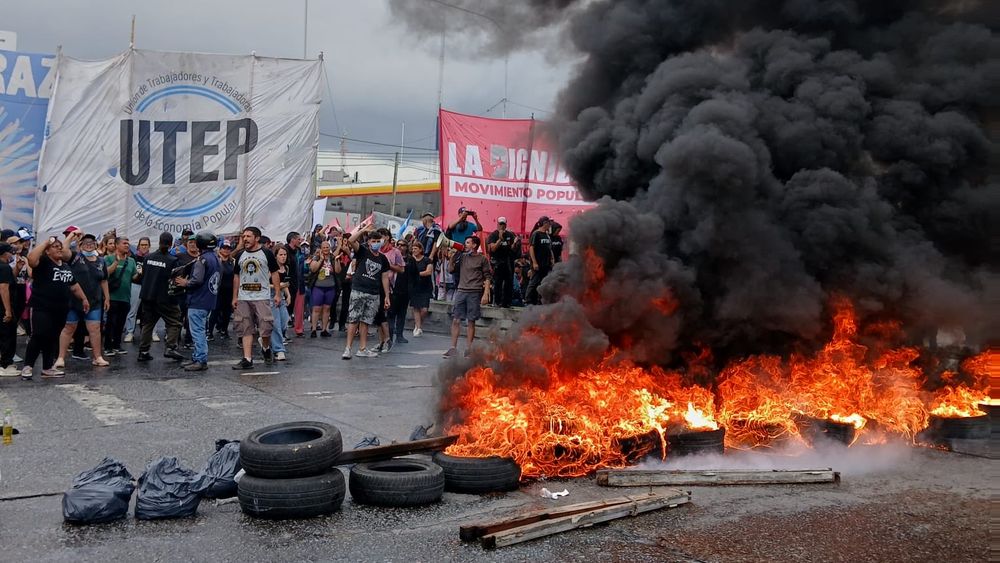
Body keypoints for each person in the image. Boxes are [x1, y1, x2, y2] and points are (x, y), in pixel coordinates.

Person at [22, 235, 89, 379]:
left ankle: (47, 367)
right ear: (47, 251)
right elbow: (31, 259)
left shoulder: (65, 266)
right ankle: (28, 366)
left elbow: (74, 285)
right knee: (39, 335)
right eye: (55, 247)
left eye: (60, 246)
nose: (59, 248)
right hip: (42, 306)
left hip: (61, 308)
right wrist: (47, 242)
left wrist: (84, 299)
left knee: (52, 337)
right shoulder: (43, 262)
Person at [57, 233, 110, 369]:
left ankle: (97, 357)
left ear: (96, 245)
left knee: (95, 329)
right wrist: (72, 236)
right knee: (69, 328)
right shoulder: (75, 258)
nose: (89, 245)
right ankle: (60, 358)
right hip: (74, 301)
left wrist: (107, 298)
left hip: (95, 301)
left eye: (92, 243)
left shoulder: (101, 261)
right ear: (80, 246)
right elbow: (63, 251)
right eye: (85, 243)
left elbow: (103, 280)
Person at [232, 226, 281, 370]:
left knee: (266, 326)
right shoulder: (240, 255)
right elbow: (236, 276)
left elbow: (275, 273)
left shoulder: (266, 253)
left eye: (248, 236)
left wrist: (277, 293)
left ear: (257, 238)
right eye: (244, 236)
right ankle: (247, 359)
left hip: (262, 296)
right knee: (245, 326)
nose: (245, 239)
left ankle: (265, 347)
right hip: (243, 296)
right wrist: (235, 296)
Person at [173, 231, 220, 371]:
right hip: (209, 299)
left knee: (197, 331)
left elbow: (197, 280)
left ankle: (200, 359)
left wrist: (185, 282)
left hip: (198, 300)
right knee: (200, 329)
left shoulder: (202, 260)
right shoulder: (216, 258)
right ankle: (196, 356)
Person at [342, 226, 390, 360]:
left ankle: (362, 348)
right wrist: (362, 231)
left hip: (374, 293)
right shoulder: (362, 251)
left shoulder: (383, 259)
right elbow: (351, 240)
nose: (376, 243)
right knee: (353, 319)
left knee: (366, 321)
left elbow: (384, 277)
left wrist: (386, 295)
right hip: (359, 290)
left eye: (378, 240)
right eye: (373, 241)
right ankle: (348, 348)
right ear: (368, 242)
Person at [136, 232, 185, 363]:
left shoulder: (148, 257)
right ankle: (170, 347)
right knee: (175, 321)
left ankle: (143, 351)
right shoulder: (173, 260)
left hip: (147, 296)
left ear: (159, 241)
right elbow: (175, 281)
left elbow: (144, 275)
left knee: (148, 324)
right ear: (170, 244)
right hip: (165, 298)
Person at [444, 236, 492, 358]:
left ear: (475, 245)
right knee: (456, 319)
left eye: (468, 243)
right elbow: (450, 269)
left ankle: (469, 349)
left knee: (471, 321)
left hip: (474, 292)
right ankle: (453, 348)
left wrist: (486, 293)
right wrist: (453, 256)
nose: (465, 245)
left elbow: (487, 277)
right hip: (461, 290)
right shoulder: (463, 256)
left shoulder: (482, 259)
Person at [104, 236, 137, 356]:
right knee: (110, 322)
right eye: (124, 243)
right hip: (112, 297)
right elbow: (106, 273)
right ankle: (107, 347)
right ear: (117, 245)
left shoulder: (131, 261)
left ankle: (117, 345)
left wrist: (141, 274)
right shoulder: (108, 258)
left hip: (125, 297)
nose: (127, 245)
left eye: (128, 243)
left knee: (120, 323)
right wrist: (116, 262)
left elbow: (134, 277)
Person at [375, 228, 405, 352]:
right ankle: (381, 341)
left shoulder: (395, 252)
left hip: (388, 286)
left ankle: (388, 340)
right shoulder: (375, 251)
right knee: (377, 316)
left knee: (384, 315)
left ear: (387, 237)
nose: (378, 241)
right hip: (375, 284)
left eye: (381, 237)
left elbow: (402, 269)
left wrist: (388, 265)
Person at [307, 240, 340, 338]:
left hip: (330, 287)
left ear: (330, 248)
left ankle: (324, 329)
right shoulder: (316, 258)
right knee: (316, 308)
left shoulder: (333, 258)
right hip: (318, 287)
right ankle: (313, 329)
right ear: (321, 249)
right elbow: (313, 269)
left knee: (327, 308)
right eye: (324, 247)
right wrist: (321, 260)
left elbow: (338, 271)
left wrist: (337, 261)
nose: (326, 249)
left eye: (327, 247)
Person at [487, 216, 518, 308]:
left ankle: (507, 303)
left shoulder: (510, 235)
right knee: (498, 282)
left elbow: (512, 249)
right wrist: (500, 239)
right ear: (497, 224)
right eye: (500, 224)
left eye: (503, 224)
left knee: (509, 282)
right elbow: (492, 248)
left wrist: (515, 243)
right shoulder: (493, 235)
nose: (502, 226)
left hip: (508, 261)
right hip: (497, 261)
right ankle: (497, 302)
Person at [124, 236, 150, 343]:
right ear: (138, 246)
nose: (144, 247)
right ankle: (130, 332)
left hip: (148, 286)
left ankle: (152, 333)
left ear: (149, 246)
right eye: (142, 245)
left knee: (150, 310)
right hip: (136, 285)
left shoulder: (152, 257)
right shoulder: (133, 258)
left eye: (146, 245)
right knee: (132, 310)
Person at [269, 245, 292, 362]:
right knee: (276, 323)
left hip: (282, 296)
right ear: (275, 256)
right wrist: (278, 286)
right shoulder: (271, 269)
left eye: (285, 254)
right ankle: (279, 350)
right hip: (271, 296)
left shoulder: (286, 268)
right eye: (280, 255)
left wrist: (288, 294)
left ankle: (267, 339)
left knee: (284, 321)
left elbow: (285, 283)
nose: (283, 257)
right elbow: (265, 284)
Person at [209, 238, 235, 340]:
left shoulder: (232, 261)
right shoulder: (216, 260)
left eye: (228, 248)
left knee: (227, 313)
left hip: (229, 291)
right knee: (215, 312)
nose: (226, 250)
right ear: (219, 249)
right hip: (218, 291)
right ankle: (209, 332)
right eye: (224, 248)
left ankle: (224, 330)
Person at [406, 241, 433, 337]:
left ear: (421, 249)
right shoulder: (410, 260)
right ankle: (417, 327)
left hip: (425, 287)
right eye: (412, 249)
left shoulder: (427, 260)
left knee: (424, 309)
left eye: (416, 248)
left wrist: (416, 274)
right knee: (416, 307)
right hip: (414, 287)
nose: (414, 250)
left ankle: (418, 324)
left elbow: (428, 272)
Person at [525, 216, 554, 305]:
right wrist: (534, 262)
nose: (550, 225)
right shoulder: (536, 234)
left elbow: (549, 248)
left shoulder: (547, 235)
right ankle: (528, 300)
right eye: (549, 223)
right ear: (544, 223)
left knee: (543, 282)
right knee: (534, 281)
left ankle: (539, 300)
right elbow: (531, 248)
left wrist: (552, 258)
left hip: (546, 263)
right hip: (538, 263)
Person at [0, 243, 17, 376]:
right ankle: (4, 365)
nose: (13, 255)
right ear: (5, 253)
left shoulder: (5, 268)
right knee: (7, 335)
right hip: (3, 307)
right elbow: (4, 288)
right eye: (11, 252)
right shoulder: (4, 267)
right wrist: (8, 310)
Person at [285, 231, 305, 337]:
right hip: (287, 285)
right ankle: (282, 332)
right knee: (286, 308)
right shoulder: (285, 251)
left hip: (299, 283)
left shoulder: (299, 251)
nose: (300, 241)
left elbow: (301, 268)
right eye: (298, 239)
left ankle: (298, 329)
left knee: (297, 308)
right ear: (292, 239)